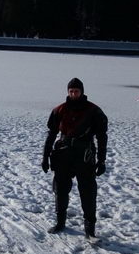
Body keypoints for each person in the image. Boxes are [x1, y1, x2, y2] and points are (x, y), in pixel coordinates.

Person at [42, 77, 108, 238]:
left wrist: (101, 160)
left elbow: (102, 136)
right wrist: (45, 156)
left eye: (76, 91)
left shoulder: (94, 111)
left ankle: (89, 229)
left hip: (84, 156)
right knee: (60, 189)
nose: (73, 94)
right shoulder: (59, 110)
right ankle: (60, 222)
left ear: (82, 91)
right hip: (63, 154)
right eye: (71, 91)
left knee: (88, 191)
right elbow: (51, 134)